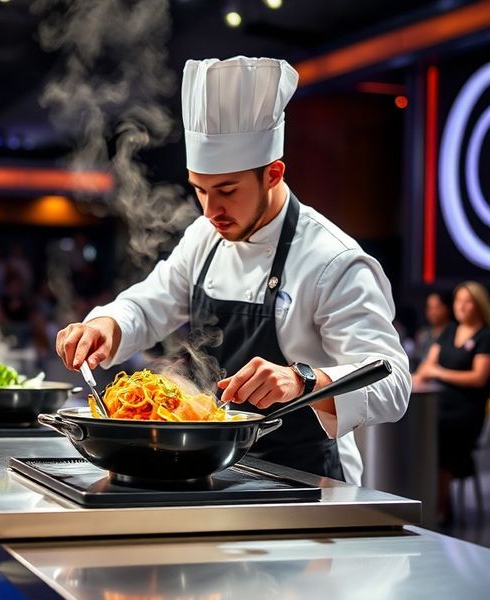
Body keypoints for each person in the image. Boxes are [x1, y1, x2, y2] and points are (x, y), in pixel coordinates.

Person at [56, 56, 411, 484]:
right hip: (215, 470)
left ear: (273, 174)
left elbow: (393, 383)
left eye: (226, 190)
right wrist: (106, 326)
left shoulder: (333, 260)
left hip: (305, 480)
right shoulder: (205, 236)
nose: (211, 210)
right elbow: (150, 304)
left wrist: (303, 380)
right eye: (200, 190)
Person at [413, 281, 490, 522]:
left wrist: (439, 373)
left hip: (467, 410)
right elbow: (427, 365)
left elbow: (478, 378)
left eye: (468, 302)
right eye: (458, 301)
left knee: (441, 433)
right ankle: (423, 499)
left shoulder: (485, 336)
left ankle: (438, 506)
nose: (461, 307)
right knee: (419, 426)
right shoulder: (449, 331)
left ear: (479, 305)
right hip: (441, 404)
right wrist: (418, 376)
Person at [411, 290, 452, 371]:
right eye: (429, 308)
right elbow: (416, 358)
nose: (432, 312)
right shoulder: (423, 333)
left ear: (447, 308)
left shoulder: (454, 333)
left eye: (437, 307)